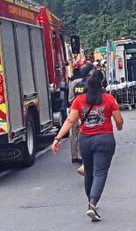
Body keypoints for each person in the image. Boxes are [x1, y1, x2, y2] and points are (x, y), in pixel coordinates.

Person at [52, 70, 125, 222]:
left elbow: (70, 121)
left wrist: (57, 138)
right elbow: (119, 120)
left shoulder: (79, 101)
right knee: (100, 173)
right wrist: (119, 126)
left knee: (89, 172)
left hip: (85, 140)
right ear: (102, 84)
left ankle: (90, 202)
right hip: (104, 139)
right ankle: (92, 204)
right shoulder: (109, 99)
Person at [67, 62, 94, 169]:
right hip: (86, 110)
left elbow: (70, 99)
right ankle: (85, 155)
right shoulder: (89, 81)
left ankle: (74, 156)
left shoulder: (73, 82)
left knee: (74, 133)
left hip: (74, 110)